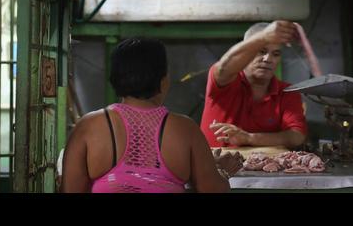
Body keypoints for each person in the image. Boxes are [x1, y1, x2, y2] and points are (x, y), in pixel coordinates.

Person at [62, 38, 244, 193]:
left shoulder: (88, 127)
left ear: (114, 78)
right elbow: (211, 189)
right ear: (164, 80)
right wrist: (222, 172)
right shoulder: (185, 130)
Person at [201, 20, 308, 149]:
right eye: (261, 51)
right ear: (247, 53)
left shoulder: (287, 92)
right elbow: (224, 67)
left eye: (276, 54)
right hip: (214, 167)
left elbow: (296, 136)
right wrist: (263, 37)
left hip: (264, 167)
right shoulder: (225, 81)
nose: (268, 59)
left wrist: (249, 138)